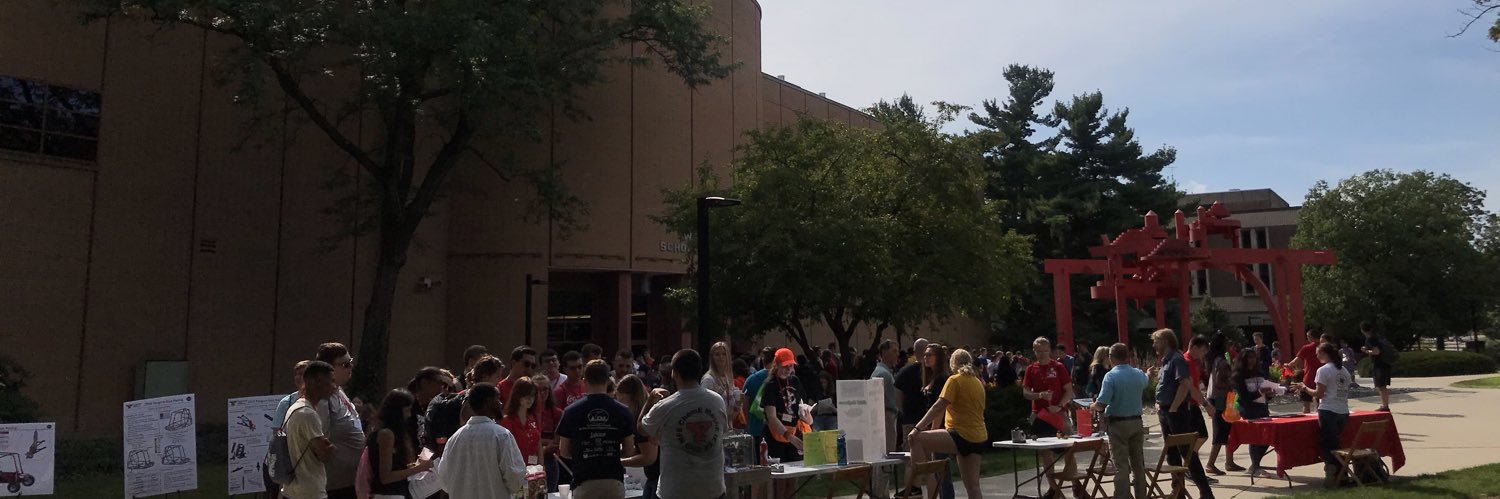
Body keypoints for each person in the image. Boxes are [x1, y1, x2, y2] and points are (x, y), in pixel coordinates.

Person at [642, 349, 728, 499]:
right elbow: (723, 431)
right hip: (712, 488)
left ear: (674, 373)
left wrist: (649, 401)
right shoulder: (717, 401)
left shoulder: (666, 406)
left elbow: (642, 429)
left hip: (676, 490)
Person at [903, 348, 988, 499]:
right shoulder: (977, 382)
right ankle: (928, 477)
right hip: (978, 437)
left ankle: (921, 481)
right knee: (973, 486)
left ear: (952, 363)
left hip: (960, 434)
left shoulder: (954, 380)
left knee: (917, 438)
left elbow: (938, 407)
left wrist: (917, 428)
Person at [556, 360, 638, 499]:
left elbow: (563, 451)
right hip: (613, 482)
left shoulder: (571, 411)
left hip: (583, 483)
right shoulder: (623, 411)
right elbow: (629, 450)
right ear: (608, 380)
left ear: (584, 380)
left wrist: (583, 453)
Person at [1151, 330, 1214, 499]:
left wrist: (1173, 407)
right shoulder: (1165, 361)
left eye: (1156, 341)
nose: (1154, 344)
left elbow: (1185, 384)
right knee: (1171, 452)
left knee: (1187, 452)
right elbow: (1167, 386)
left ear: (1165, 341)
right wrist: (1160, 403)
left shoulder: (1177, 359)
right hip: (1165, 411)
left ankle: (1205, 492)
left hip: (1175, 413)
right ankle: (1178, 491)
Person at [438, 383, 528, 499]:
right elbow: (515, 477)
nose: (500, 403)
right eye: (497, 399)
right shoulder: (501, 435)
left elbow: (444, 480)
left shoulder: (455, 439)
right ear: (488, 402)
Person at [1090, 343, 1149, 499]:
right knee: (1138, 465)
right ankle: (1141, 495)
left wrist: (1092, 406)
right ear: (1127, 356)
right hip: (1137, 422)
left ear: (1111, 357)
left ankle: (1122, 496)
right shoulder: (1137, 373)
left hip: (1118, 424)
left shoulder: (1110, 376)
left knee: (1121, 466)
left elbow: (1102, 403)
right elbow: (1146, 380)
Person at [315, 343, 366, 499]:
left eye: (350, 362)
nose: (350, 367)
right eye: (345, 364)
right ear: (328, 368)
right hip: (334, 485)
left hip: (351, 480)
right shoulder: (323, 399)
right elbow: (319, 441)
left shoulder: (339, 391)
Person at [1298, 343, 1352, 488]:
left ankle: (1332, 472)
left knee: (1328, 444)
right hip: (1343, 410)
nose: (1316, 356)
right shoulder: (1344, 370)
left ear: (1324, 354)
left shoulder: (1323, 370)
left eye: (1318, 353)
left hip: (1328, 409)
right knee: (1336, 443)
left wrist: (1304, 388)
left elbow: (1319, 393)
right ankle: (1342, 473)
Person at [282, 361, 338, 499]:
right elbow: (324, 455)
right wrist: (332, 449)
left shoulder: (295, 407)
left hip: (292, 490)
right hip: (308, 492)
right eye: (330, 381)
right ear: (314, 382)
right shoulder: (308, 414)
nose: (334, 387)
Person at [1022, 337, 1075, 482]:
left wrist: (1058, 406)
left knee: (1069, 449)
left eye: (1045, 351)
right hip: (1039, 415)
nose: (1042, 354)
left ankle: (1076, 484)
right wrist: (1039, 395)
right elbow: (1025, 393)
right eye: (1039, 351)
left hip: (1058, 413)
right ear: (1034, 351)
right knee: (1045, 452)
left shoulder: (1058, 367)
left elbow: (1068, 391)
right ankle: (1053, 488)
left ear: (1050, 350)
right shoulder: (1031, 369)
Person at [367, 389, 434, 499]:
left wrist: (414, 465)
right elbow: (386, 477)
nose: (408, 415)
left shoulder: (389, 433)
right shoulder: (386, 434)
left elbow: (395, 466)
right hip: (387, 495)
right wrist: (419, 468)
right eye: (406, 410)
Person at [1231, 349, 1278, 476]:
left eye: (1253, 357)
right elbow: (1244, 397)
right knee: (1254, 438)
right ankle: (1256, 466)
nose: (1252, 360)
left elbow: (1265, 391)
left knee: (1268, 437)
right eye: (1249, 358)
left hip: (1262, 407)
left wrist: (1270, 393)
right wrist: (1260, 392)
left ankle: (1255, 464)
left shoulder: (1260, 372)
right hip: (1248, 409)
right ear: (1243, 360)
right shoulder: (1239, 376)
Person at [1203, 333, 1243, 475]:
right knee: (1221, 430)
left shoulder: (1215, 359)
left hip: (1216, 397)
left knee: (1228, 429)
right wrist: (1233, 383)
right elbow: (1221, 382)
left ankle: (1229, 461)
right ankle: (1210, 463)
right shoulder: (1222, 362)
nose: (1229, 344)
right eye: (1227, 342)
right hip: (1222, 398)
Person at [615, 375, 661, 499]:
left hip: (660, 478)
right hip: (653, 477)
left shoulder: (644, 419)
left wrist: (618, 462)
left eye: (620, 399)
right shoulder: (638, 416)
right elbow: (640, 449)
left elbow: (649, 457)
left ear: (629, 396)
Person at [498, 378, 542, 465]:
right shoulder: (507, 421)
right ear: (517, 395)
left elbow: (539, 445)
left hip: (533, 468)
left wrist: (542, 466)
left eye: (533, 395)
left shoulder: (533, 418)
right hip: (515, 469)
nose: (530, 399)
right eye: (526, 395)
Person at [895, 338, 932, 439]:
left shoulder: (903, 372)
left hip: (909, 421)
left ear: (914, 352)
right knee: (928, 452)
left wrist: (904, 411)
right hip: (929, 422)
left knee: (911, 452)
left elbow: (897, 395)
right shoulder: (933, 372)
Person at [741, 347, 777, 451]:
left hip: (755, 428)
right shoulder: (780, 379)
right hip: (776, 430)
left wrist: (748, 423)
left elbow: (745, 405)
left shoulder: (751, 379)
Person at [701, 341, 742, 429]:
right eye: (717, 354)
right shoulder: (708, 379)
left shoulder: (728, 378)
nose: (721, 357)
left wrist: (738, 403)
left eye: (724, 354)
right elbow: (703, 408)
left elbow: (731, 412)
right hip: (712, 428)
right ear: (712, 357)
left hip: (728, 427)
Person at [872, 339, 901, 452]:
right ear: (884, 352)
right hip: (885, 417)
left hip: (888, 415)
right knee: (887, 452)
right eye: (894, 351)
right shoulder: (882, 373)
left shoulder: (884, 372)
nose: (897, 354)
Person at [1288, 328, 1324, 414]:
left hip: (1309, 378)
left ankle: (1307, 423)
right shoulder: (1324, 347)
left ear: (1310, 337)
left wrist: (1287, 365)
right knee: (1320, 403)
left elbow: (1295, 361)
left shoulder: (1306, 348)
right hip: (1322, 377)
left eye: (1307, 336)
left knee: (1306, 403)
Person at [1360, 322, 1393, 412]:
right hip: (1385, 363)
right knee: (1383, 386)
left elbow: (1376, 352)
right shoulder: (1378, 337)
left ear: (1362, 330)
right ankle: (1385, 404)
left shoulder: (1370, 339)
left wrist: (1366, 351)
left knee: (1380, 386)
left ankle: (1385, 406)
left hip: (1379, 364)